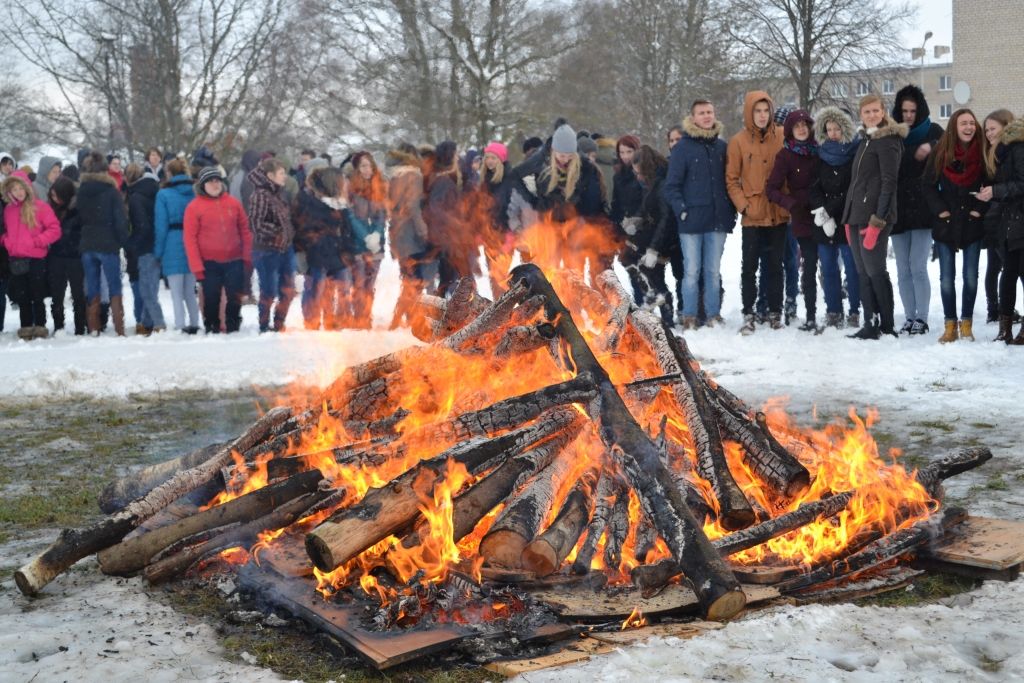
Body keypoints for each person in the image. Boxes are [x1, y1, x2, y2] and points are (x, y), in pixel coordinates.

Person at [664, 99, 735, 329]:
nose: (706, 116)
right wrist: (682, 211)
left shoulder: (722, 147)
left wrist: (729, 211)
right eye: (702, 113)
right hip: (691, 221)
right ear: (693, 118)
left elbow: (730, 181)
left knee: (713, 271)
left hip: (717, 219)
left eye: (710, 112)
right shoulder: (683, 148)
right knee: (692, 271)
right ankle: (690, 316)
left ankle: (713, 314)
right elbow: (671, 186)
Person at [841, 94, 907, 340]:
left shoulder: (887, 140)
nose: (871, 115)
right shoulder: (866, 140)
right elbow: (858, 182)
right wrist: (849, 215)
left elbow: (889, 183)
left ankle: (886, 325)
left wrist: (878, 220)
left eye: (875, 111)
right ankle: (871, 322)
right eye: (866, 111)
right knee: (863, 271)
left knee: (875, 270)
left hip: (875, 217)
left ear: (883, 112)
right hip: (857, 215)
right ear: (861, 114)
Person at [922, 109, 989, 342]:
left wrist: (977, 210)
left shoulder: (983, 152)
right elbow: (927, 185)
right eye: (964, 123)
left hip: (972, 222)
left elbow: (991, 184)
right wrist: (940, 210)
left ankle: (967, 324)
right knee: (946, 278)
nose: (969, 127)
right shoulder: (941, 151)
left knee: (971, 276)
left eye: (972, 122)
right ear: (954, 126)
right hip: (946, 223)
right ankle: (950, 325)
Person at [726, 90, 788, 333]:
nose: (762, 116)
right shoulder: (738, 141)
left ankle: (775, 313)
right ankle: (749, 313)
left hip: (777, 212)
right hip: (752, 215)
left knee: (775, 266)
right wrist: (744, 206)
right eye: (757, 111)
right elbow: (731, 179)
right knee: (749, 267)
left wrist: (788, 201)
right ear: (749, 113)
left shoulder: (783, 136)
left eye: (766, 111)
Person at [891, 85, 944, 335]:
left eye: (912, 110)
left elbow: (949, 147)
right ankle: (909, 317)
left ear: (920, 109)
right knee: (902, 268)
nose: (909, 115)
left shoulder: (933, 131)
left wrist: (932, 146)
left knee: (918, 266)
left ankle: (921, 318)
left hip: (923, 208)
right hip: (898, 208)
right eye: (904, 110)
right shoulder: (892, 134)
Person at [767, 109, 820, 331]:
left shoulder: (820, 150)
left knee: (829, 265)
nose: (801, 129)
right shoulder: (785, 155)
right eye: (797, 125)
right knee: (808, 266)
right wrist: (791, 203)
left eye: (805, 125)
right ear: (790, 130)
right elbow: (771, 189)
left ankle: (840, 312)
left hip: (825, 213)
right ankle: (810, 316)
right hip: (802, 217)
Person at [808, 106, 861, 330]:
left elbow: (853, 187)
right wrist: (821, 210)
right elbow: (813, 186)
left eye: (837, 129)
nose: (833, 133)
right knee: (828, 267)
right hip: (824, 220)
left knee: (852, 266)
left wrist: (830, 209)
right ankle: (833, 310)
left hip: (848, 216)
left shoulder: (855, 153)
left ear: (845, 129)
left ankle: (855, 310)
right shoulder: (820, 155)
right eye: (828, 129)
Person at [184, 166, 252, 333]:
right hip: (209, 262)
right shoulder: (194, 207)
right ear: (202, 185)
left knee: (235, 296)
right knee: (211, 298)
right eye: (210, 181)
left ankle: (233, 325)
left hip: (234, 259)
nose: (215, 184)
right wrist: (197, 266)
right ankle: (212, 327)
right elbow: (189, 239)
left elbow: (245, 231)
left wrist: (247, 257)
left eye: (217, 181)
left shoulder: (234, 203)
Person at [533, 123, 607, 271]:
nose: (565, 159)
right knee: (551, 271)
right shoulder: (544, 174)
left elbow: (592, 203)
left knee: (574, 271)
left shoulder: (586, 171)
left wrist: (573, 207)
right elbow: (541, 206)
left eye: (569, 155)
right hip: (552, 229)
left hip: (576, 228)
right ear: (554, 152)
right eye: (561, 155)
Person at [978, 114, 1024, 343]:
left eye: (992, 128)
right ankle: (1004, 329)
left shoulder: (1017, 148)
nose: (989, 133)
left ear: (1006, 127)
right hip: (1009, 222)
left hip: (1020, 220)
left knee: (1017, 273)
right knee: (1008, 274)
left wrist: (996, 192)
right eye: (986, 130)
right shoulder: (1002, 153)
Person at [1, 171, 61, 339]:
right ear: (9, 192)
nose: (18, 192)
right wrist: (8, 242)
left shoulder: (40, 206)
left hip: (36, 258)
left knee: (37, 294)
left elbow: (55, 229)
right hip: (17, 258)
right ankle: (26, 327)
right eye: (14, 189)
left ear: (27, 188)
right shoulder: (8, 210)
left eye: (21, 188)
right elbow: (5, 231)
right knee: (22, 295)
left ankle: (40, 326)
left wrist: (38, 241)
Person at [78, 151, 129, 335]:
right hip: (108, 242)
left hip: (87, 242)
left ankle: (93, 327)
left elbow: (79, 217)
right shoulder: (111, 191)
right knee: (114, 284)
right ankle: (119, 327)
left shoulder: (81, 191)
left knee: (92, 285)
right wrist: (124, 241)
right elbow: (120, 219)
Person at [294, 164, 349, 330]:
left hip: (337, 254)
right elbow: (304, 231)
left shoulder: (341, 205)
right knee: (315, 289)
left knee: (334, 289)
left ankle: (331, 319)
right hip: (317, 255)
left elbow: (346, 230)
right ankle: (311, 320)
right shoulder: (312, 204)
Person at [247, 157, 296, 333]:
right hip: (267, 251)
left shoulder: (279, 193)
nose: (285, 177)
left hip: (286, 249)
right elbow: (255, 224)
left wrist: (289, 232)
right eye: (281, 173)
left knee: (288, 289)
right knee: (269, 290)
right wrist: (279, 231)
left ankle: (279, 323)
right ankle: (264, 324)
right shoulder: (259, 195)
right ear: (270, 175)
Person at [385, 143, 431, 330]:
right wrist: (423, 231)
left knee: (407, 277)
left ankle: (400, 319)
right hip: (411, 233)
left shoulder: (394, 177)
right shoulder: (414, 175)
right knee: (415, 278)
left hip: (398, 232)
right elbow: (413, 206)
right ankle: (412, 318)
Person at [627, 145, 674, 324]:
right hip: (654, 231)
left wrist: (654, 249)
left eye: (639, 172)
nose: (637, 176)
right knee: (640, 263)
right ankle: (659, 301)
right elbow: (647, 205)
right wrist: (636, 219)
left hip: (667, 235)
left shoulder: (661, 184)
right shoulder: (649, 182)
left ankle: (666, 310)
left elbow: (666, 217)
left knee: (651, 268)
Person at [154, 158, 200, 333]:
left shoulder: (163, 194)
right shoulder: (194, 192)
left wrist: (158, 252)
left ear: (169, 173)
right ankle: (195, 323)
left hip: (172, 242)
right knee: (190, 290)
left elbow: (161, 225)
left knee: (176, 292)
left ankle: (180, 325)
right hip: (191, 242)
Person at [345, 151, 388, 328]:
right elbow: (350, 215)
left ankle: (366, 315)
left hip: (376, 242)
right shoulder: (350, 187)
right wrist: (365, 235)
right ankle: (359, 317)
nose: (367, 169)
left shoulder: (379, 185)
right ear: (357, 168)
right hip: (357, 240)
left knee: (370, 282)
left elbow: (381, 213)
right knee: (359, 281)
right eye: (363, 166)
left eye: (370, 165)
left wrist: (377, 234)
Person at [125, 163, 166, 334]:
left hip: (144, 246)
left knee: (146, 289)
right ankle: (146, 321)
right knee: (151, 285)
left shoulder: (135, 197)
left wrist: (132, 244)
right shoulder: (155, 192)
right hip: (158, 244)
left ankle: (158, 323)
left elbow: (141, 225)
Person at [424, 140, 467, 295]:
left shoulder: (443, 179)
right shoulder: (443, 181)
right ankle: (443, 315)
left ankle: (444, 314)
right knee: (449, 282)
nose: (458, 158)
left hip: (446, 239)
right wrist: (456, 223)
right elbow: (436, 209)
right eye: (455, 155)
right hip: (446, 241)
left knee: (448, 282)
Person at [46, 176, 87, 335]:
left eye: (57, 195)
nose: (54, 198)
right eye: (52, 195)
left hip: (75, 256)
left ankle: (80, 326)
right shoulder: (50, 208)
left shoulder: (78, 208)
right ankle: (58, 326)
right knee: (57, 294)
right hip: (56, 255)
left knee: (78, 294)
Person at [477, 141, 515, 294]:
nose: (489, 161)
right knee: (493, 277)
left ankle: (503, 310)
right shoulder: (484, 180)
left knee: (501, 276)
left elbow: (513, 209)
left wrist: (511, 235)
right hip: (488, 236)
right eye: (487, 158)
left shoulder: (509, 180)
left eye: (493, 158)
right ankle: (497, 310)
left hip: (504, 235)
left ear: (501, 160)